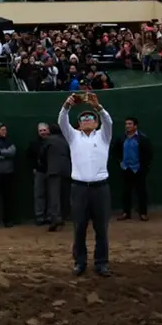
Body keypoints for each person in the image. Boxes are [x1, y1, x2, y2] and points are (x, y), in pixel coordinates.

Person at [58, 92, 113, 277]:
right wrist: (67, 106)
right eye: (83, 119)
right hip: (79, 189)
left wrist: (98, 107)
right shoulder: (73, 137)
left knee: (101, 228)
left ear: (96, 123)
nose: (87, 120)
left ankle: (101, 263)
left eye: (90, 118)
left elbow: (109, 122)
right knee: (79, 227)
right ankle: (80, 262)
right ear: (79, 125)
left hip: (100, 188)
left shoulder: (103, 136)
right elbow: (62, 121)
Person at [112, 117, 154, 221]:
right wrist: (120, 162)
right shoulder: (121, 138)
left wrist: (143, 166)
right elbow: (115, 151)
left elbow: (148, 154)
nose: (127, 126)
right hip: (126, 169)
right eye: (126, 124)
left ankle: (143, 213)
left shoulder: (142, 139)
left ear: (135, 126)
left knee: (141, 192)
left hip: (138, 169)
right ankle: (126, 213)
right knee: (126, 192)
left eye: (130, 124)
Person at [44, 123, 71, 232]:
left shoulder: (49, 140)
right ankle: (64, 216)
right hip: (66, 170)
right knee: (65, 195)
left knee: (54, 196)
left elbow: (42, 154)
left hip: (53, 170)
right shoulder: (66, 140)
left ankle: (56, 218)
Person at [26, 122, 51, 225]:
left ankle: (50, 216)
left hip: (52, 172)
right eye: (40, 131)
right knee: (39, 194)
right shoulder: (34, 144)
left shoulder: (53, 142)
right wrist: (34, 167)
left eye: (44, 130)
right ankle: (40, 216)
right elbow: (28, 156)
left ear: (48, 130)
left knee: (51, 194)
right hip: (39, 172)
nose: (43, 132)